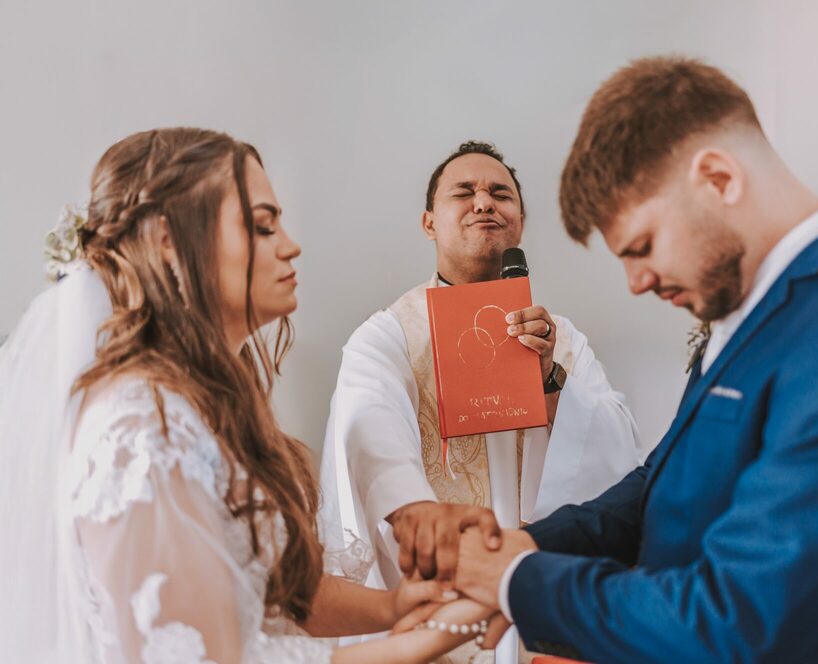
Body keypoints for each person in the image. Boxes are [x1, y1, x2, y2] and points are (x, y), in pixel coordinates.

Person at [453, 57, 818, 663]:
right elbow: (665, 486)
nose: (636, 282)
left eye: (640, 247)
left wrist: (515, 583)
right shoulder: (748, 308)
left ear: (718, 179)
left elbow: (738, 620)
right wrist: (524, 546)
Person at [0, 128, 501, 663]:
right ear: (169, 242)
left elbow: (271, 587)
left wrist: (395, 606)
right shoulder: (139, 425)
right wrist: (445, 631)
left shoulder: (202, 404)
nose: (291, 244)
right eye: (263, 226)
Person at [320, 141, 642, 662]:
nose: (484, 203)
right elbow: (367, 425)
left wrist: (551, 381)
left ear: (518, 222)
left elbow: (621, 453)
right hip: (439, 596)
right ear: (429, 222)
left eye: (500, 194)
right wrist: (418, 515)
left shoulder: (563, 339)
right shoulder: (388, 336)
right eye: (463, 192)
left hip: (534, 594)